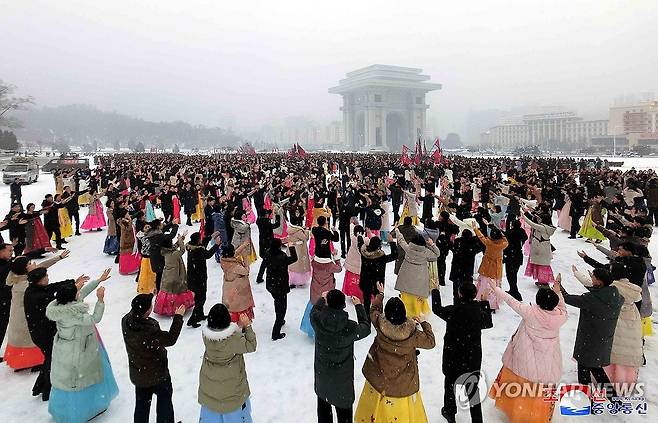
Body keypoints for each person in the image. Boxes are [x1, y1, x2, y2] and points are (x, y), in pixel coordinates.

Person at [488, 277, 567, 423]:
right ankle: (536, 415)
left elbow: (512, 301)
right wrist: (557, 291)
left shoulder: (530, 312)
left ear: (538, 301)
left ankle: (517, 413)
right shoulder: (561, 317)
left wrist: (496, 289)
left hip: (525, 358)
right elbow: (562, 307)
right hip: (548, 361)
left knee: (519, 388)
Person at [46, 268, 118, 423]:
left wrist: (99, 280)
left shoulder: (61, 306)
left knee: (65, 380)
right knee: (80, 379)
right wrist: (100, 300)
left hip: (65, 349)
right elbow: (94, 318)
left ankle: (64, 410)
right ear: (73, 297)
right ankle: (84, 410)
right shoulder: (74, 314)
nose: (79, 292)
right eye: (76, 291)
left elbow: (82, 291)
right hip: (79, 351)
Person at [354, 292, 435, 422]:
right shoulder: (412, 334)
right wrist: (425, 323)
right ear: (404, 314)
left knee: (374, 409)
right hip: (402, 384)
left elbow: (374, 310)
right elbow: (431, 342)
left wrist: (380, 295)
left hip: (378, 379)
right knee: (401, 413)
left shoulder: (380, 323)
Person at [560, 268, 624, 402]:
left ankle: (586, 400)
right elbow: (598, 294)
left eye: (593, 277)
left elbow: (568, 298)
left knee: (584, 368)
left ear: (600, 282)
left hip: (589, 341)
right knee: (596, 368)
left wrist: (558, 286)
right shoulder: (616, 296)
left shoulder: (591, 299)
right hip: (603, 339)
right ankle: (613, 398)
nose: (592, 279)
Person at [122, 294, 185, 423]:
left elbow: (138, 308)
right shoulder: (148, 331)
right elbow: (170, 339)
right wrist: (178, 317)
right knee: (164, 400)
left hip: (138, 373)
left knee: (142, 406)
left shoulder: (126, 321)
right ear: (147, 311)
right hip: (157, 374)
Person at [431, 283, 490, 423]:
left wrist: (435, 291)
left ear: (460, 294)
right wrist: (484, 302)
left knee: (450, 385)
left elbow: (436, 309)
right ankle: (477, 419)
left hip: (453, 357)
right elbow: (488, 322)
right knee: (473, 390)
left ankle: (449, 412)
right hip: (472, 358)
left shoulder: (453, 310)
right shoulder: (478, 312)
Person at [24, 266, 85, 401]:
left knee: (50, 359)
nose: (47, 278)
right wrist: (74, 288)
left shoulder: (34, 289)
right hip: (43, 334)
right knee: (52, 360)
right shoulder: (37, 296)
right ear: (39, 281)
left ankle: (41, 387)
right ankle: (47, 390)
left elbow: (52, 287)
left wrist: (71, 282)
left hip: (42, 331)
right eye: (45, 276)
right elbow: (59, 301)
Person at [311, 289, 371, 423]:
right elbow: (366, 328)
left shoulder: (318, 320)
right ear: (344, 305)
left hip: (323, 376)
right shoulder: (349, 327)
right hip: (342, 381)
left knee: (323, 412)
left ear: (327, 303)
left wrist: (322, 299)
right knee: (344, 415)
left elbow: (313, 311)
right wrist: (359, 306)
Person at [3, 251, 68, 370]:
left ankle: (29, 361)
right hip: (24, 318)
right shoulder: (23, 283)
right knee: (29, 340)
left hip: (23, 316)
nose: (33, 264)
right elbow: (41, 281)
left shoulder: (20, 277)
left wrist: (58, 258)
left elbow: (41, 267)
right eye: (29, 263)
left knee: (27, 340)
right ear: (24, 268)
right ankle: (32, 362)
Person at [198, 304, 257, 422]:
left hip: (211, 389)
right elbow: (251, 345)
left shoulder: (206, 336)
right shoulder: (233, 339)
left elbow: (223, 339)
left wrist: (237, 327)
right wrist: (248, 326)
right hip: (232, 393)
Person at [394, 229, 440, 318]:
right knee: (416, 298)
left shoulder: (408, 249)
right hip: (420, 277)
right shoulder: (426, 252)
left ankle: (406, 314)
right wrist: (432, 244)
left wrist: (397, 231)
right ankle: (416, 316)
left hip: (406, 277)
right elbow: (437, 254)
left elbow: (401, 240)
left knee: (406, 297)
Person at [154, 234, 195, 316]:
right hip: (175, 275)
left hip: (168, 275)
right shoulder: (174, 254)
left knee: (168, 292)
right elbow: (182, 250)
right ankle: (175, 308)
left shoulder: (166, 251)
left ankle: (167, 307)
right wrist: (180, 240)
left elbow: (174, 246)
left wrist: (181, 239)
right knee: (176, 290)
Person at [264, 238, 298, 340]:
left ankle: (280, 319)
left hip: (271, 284)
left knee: (277, 301)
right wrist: (291, 247)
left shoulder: (267, 253)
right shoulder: (282, 257)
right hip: (280, 286)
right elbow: (294, 258)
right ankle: (276, 332)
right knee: (282, 307)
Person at [186, 231, 221, 327]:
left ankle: (200, 315)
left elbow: (202, 244)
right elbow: (208, 254)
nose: (201, 239)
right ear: (197, 241)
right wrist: (217, 245)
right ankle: (193, 319)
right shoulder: (198, 251)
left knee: (198, 298)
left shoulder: (191, 248)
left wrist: (211, 236)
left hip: (192, 278)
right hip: (198, 279)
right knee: (201, 299)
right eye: (200, 238)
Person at [359, 234, 398, 316]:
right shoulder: (381, 257)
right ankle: (378, 319)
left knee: (366, 302)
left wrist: (359, 236)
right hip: (377, 283)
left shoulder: (363, 253)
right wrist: (392, 242)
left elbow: (360, 245)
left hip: (365, 281)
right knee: (378, 302)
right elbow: (394, 255)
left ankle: (367, 320)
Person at [473, 221, 508, 311]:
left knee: (483, 285)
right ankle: (492, 304)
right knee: (494, 287)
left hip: (486, 267)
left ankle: (482, 300)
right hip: (496, 268)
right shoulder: (503, 244)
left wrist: (475, 229)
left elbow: (481, 237)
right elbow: (505, 239)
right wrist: (500, 232)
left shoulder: (489, 243)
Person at [220, 243, 256, 322]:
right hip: (238, 290)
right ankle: (243, 323)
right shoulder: (235, 267)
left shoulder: (223, 259)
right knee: (240, 308)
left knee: (231, 307)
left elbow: (234, 253)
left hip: (228, 288)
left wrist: (243, 246)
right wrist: (245, 257)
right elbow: (246, 271)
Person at [522, 211, 556, 286]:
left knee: (541, 265)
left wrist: (524, 217)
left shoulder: (542, 228)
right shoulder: (547, 227)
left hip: (540, 249)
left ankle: (543, 282)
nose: (539, 220)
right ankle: (542, 281)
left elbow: (532, 224)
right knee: (542, 264)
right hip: (544, 248)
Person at [146, 218, 179, 292]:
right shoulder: (158, 236)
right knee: (161, 276)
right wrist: (175, 226)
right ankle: (161, 291)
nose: (162, 225)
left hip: (154, 258)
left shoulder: (152, 233)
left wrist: (171, 223)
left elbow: (163, 229)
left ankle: (159, 290)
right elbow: (171, 235)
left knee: (159, 275)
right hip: (159, 259)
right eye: (161, 224)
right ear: (158, 226)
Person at [503, 218, 528, 301]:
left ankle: (515, 292)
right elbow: (525, 238)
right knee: (514, 274)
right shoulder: (521, 231)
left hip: (510, 255)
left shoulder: (509, 233)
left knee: (510, 275)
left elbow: (504, 238)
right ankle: (513, 290)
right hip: (518, 255)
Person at [341, 225, 367, 302]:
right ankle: (360, 295)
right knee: (359, 282)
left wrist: (352, 224)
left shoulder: (353, 238)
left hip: (351, 264)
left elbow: (351, 231)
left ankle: (352, 293)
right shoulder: (365, 240)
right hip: (360, 266)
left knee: (351, 281)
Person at [255, 209, 280, 283]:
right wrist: (278, 216)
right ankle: (262, 277)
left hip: (262, 242)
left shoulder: (259, 221)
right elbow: (276, 225)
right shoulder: (266, 222)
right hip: (268, 243)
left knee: (266, 261)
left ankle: (260, 277)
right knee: (269, 260)